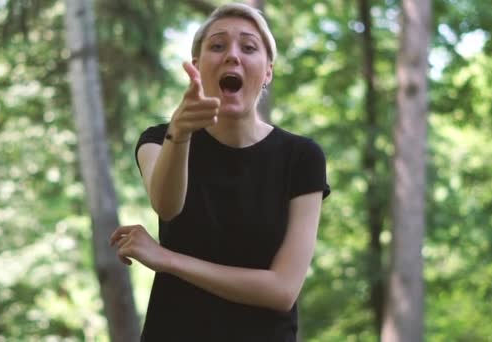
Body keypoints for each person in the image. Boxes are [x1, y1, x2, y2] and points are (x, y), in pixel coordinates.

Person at [109, 3, 330, 341]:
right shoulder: (159, 139)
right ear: (197, 66)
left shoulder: (302, 158)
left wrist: (167, 259)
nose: (232, 55)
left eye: (249, 47)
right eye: (217, 45)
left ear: (267, 71)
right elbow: (167, 205)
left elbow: (282, 290)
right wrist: (179, 134)